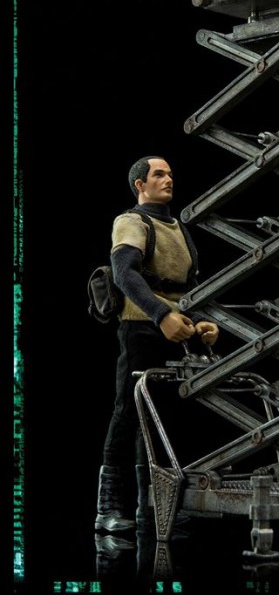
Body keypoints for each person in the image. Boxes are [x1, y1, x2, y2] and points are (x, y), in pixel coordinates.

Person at [95, 156, 219, 533]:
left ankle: (152, 507)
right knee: (128, 412)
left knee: (163, 418)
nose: (168, 179)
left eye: (170, 173)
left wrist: (201, 321)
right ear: (140, 185)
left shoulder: (178, 228)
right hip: (141, 326)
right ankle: (109, 508)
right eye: (159, 174)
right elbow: (125, 274)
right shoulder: (132, 222)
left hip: (177, 329)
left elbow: (190, 286)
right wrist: (160, 314)